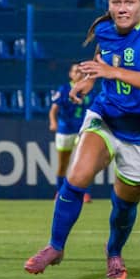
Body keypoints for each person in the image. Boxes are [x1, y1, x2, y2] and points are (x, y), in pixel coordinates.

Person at [25, 0, 140, 279]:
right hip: (105, 116)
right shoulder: (104, 29)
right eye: (116, 2)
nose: (122, 8)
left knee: (124, 206)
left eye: (129, 2)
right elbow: (102, 56)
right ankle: (55, 246)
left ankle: (114, 252)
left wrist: (111, 71)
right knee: (76, 176)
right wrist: (90, 79)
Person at [49, 63, 94, 202]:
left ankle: (83, 193)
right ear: (71, 74)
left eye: (81, 71)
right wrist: (53, 122)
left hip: (82, 129)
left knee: (83, 163)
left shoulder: (88, 89)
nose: (79, 74)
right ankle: (60, 191)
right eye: (76, 71)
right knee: (63, 163)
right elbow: (54, 109)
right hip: (65, 129)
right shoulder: (64, 89)